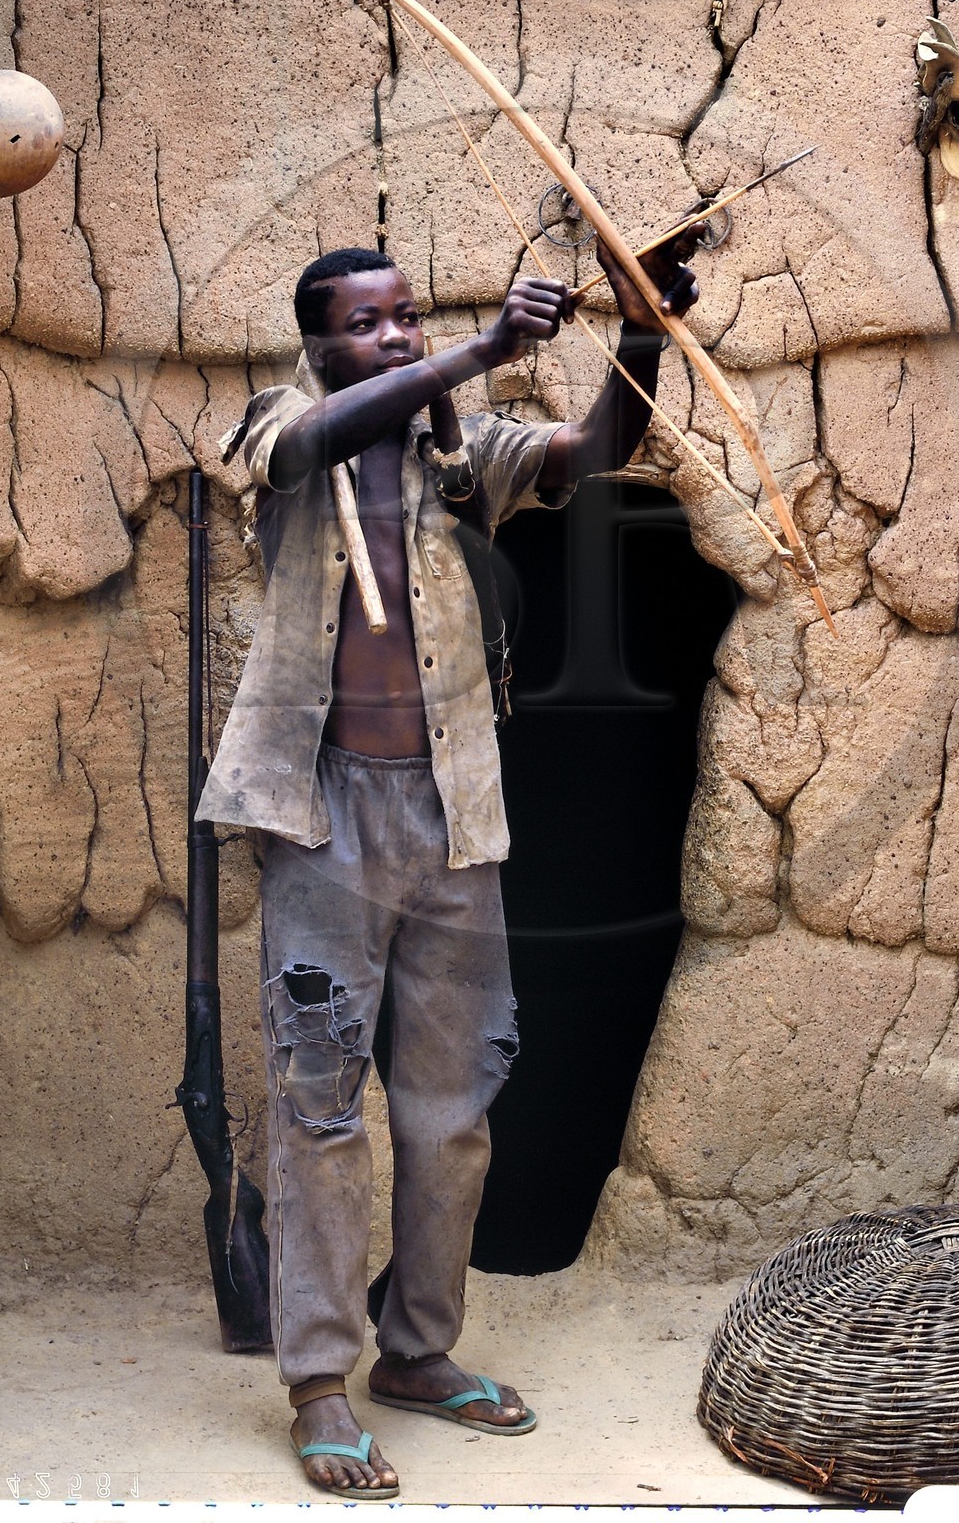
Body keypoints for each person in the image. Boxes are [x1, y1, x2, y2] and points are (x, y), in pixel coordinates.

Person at [198, 226, 702, 1497]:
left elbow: (595, 455)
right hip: (321, 819)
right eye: (366, 323)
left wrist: (638, 327)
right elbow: (299, 445)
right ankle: (318, 1380)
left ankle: (418, 1351)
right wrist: (480, 349)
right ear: (317, 341)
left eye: (408, 315)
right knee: (319, 1109)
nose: (397, 334)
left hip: (451, 817)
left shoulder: (455, 450)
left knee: (453, 1110)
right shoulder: (281, 422)